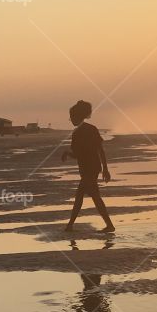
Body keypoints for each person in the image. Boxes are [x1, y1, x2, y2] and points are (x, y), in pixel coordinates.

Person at [63, 99, 114, 232]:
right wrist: (105, 169)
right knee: (93, 196)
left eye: (72, 117)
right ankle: (109, 225)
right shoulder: (90, 130)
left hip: (89, 170)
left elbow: (81, 154)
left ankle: (70, 225)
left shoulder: (79, 133)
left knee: (81, 196)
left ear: (78, 116)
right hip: (92, 168)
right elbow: (98, 150)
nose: (71, 119)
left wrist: (67, 153)